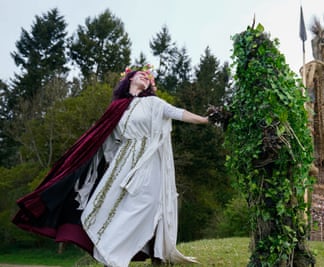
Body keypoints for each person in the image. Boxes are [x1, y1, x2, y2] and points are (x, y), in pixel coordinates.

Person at [13, 65, 208, 267]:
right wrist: (86, 165)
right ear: (129, 79)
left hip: (149, 160)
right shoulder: (117, 108)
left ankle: (154, 252)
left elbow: (179, 113)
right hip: (123, 162)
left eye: (148, 78)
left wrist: (205, 119)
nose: (145, 77)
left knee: (148, 203)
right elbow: (104, 141)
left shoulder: (153, 103)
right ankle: (112, 256)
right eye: (140, 74)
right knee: (107, 207)